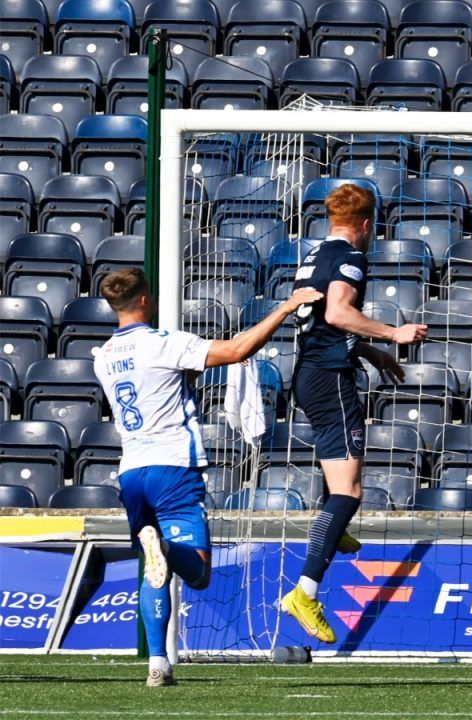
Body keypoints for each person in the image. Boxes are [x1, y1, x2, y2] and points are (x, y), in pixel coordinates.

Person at [93, 268, 322, 686]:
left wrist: (194, 369)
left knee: (153, 569)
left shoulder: (104, 355)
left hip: (131, 473)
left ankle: (158, 664)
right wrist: (286, 308)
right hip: (173, 468)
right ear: (146, 299)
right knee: (196, 572)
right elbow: (235, 351)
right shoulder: (164, 343)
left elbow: (165, 384)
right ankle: (163, 546)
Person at [280, 184, 428, 644]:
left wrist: (369, 351)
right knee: (350, 491)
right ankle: (304, 592)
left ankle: (335, 529)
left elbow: (323, 322)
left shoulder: (312, 255)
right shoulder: (352, 258)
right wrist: (393, 335)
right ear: (367, 225)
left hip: (307, 370)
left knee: (338, 486)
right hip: (330, 378)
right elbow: (340, 313)